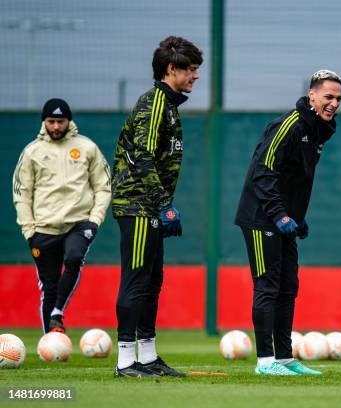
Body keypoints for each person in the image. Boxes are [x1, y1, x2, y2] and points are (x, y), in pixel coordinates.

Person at [234, 69, 341, 376]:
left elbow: (293, 177)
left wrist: (296, 215)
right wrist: (280, 214)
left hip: (283, 218)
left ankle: (284, 358)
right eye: (328, 97)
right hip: (260, 216)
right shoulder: (291, 125)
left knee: (288, 287)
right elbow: (263, 171)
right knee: (267, 286)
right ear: (312, 96)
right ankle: (265, 362)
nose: (334, 103)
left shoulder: (319, 129)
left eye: (338, 99)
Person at [111, 36, 202, 378]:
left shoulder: (169, 105)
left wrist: (163, 205)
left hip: (150, 206)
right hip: (136, 205)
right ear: (171, 69)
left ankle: (147, 358)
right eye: (191, 70)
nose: (195, 76)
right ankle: (124, 361)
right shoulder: (154, 104)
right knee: (136, 280)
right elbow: (142, 156)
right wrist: (164, 204)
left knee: (152, 280)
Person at [12, 98, 111, 333]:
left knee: (74, 258)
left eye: (61, 121)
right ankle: (50, 339)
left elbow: (103, 186)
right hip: (43, 228)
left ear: (69, 121)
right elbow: (21, 193)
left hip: (79, 223)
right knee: (49, 286)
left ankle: (58, 312)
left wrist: (95, 219)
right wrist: (29, 230)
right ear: (44, 122)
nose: (56, 126)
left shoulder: (87, 147)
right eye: (51, 121)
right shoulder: (31, 152)